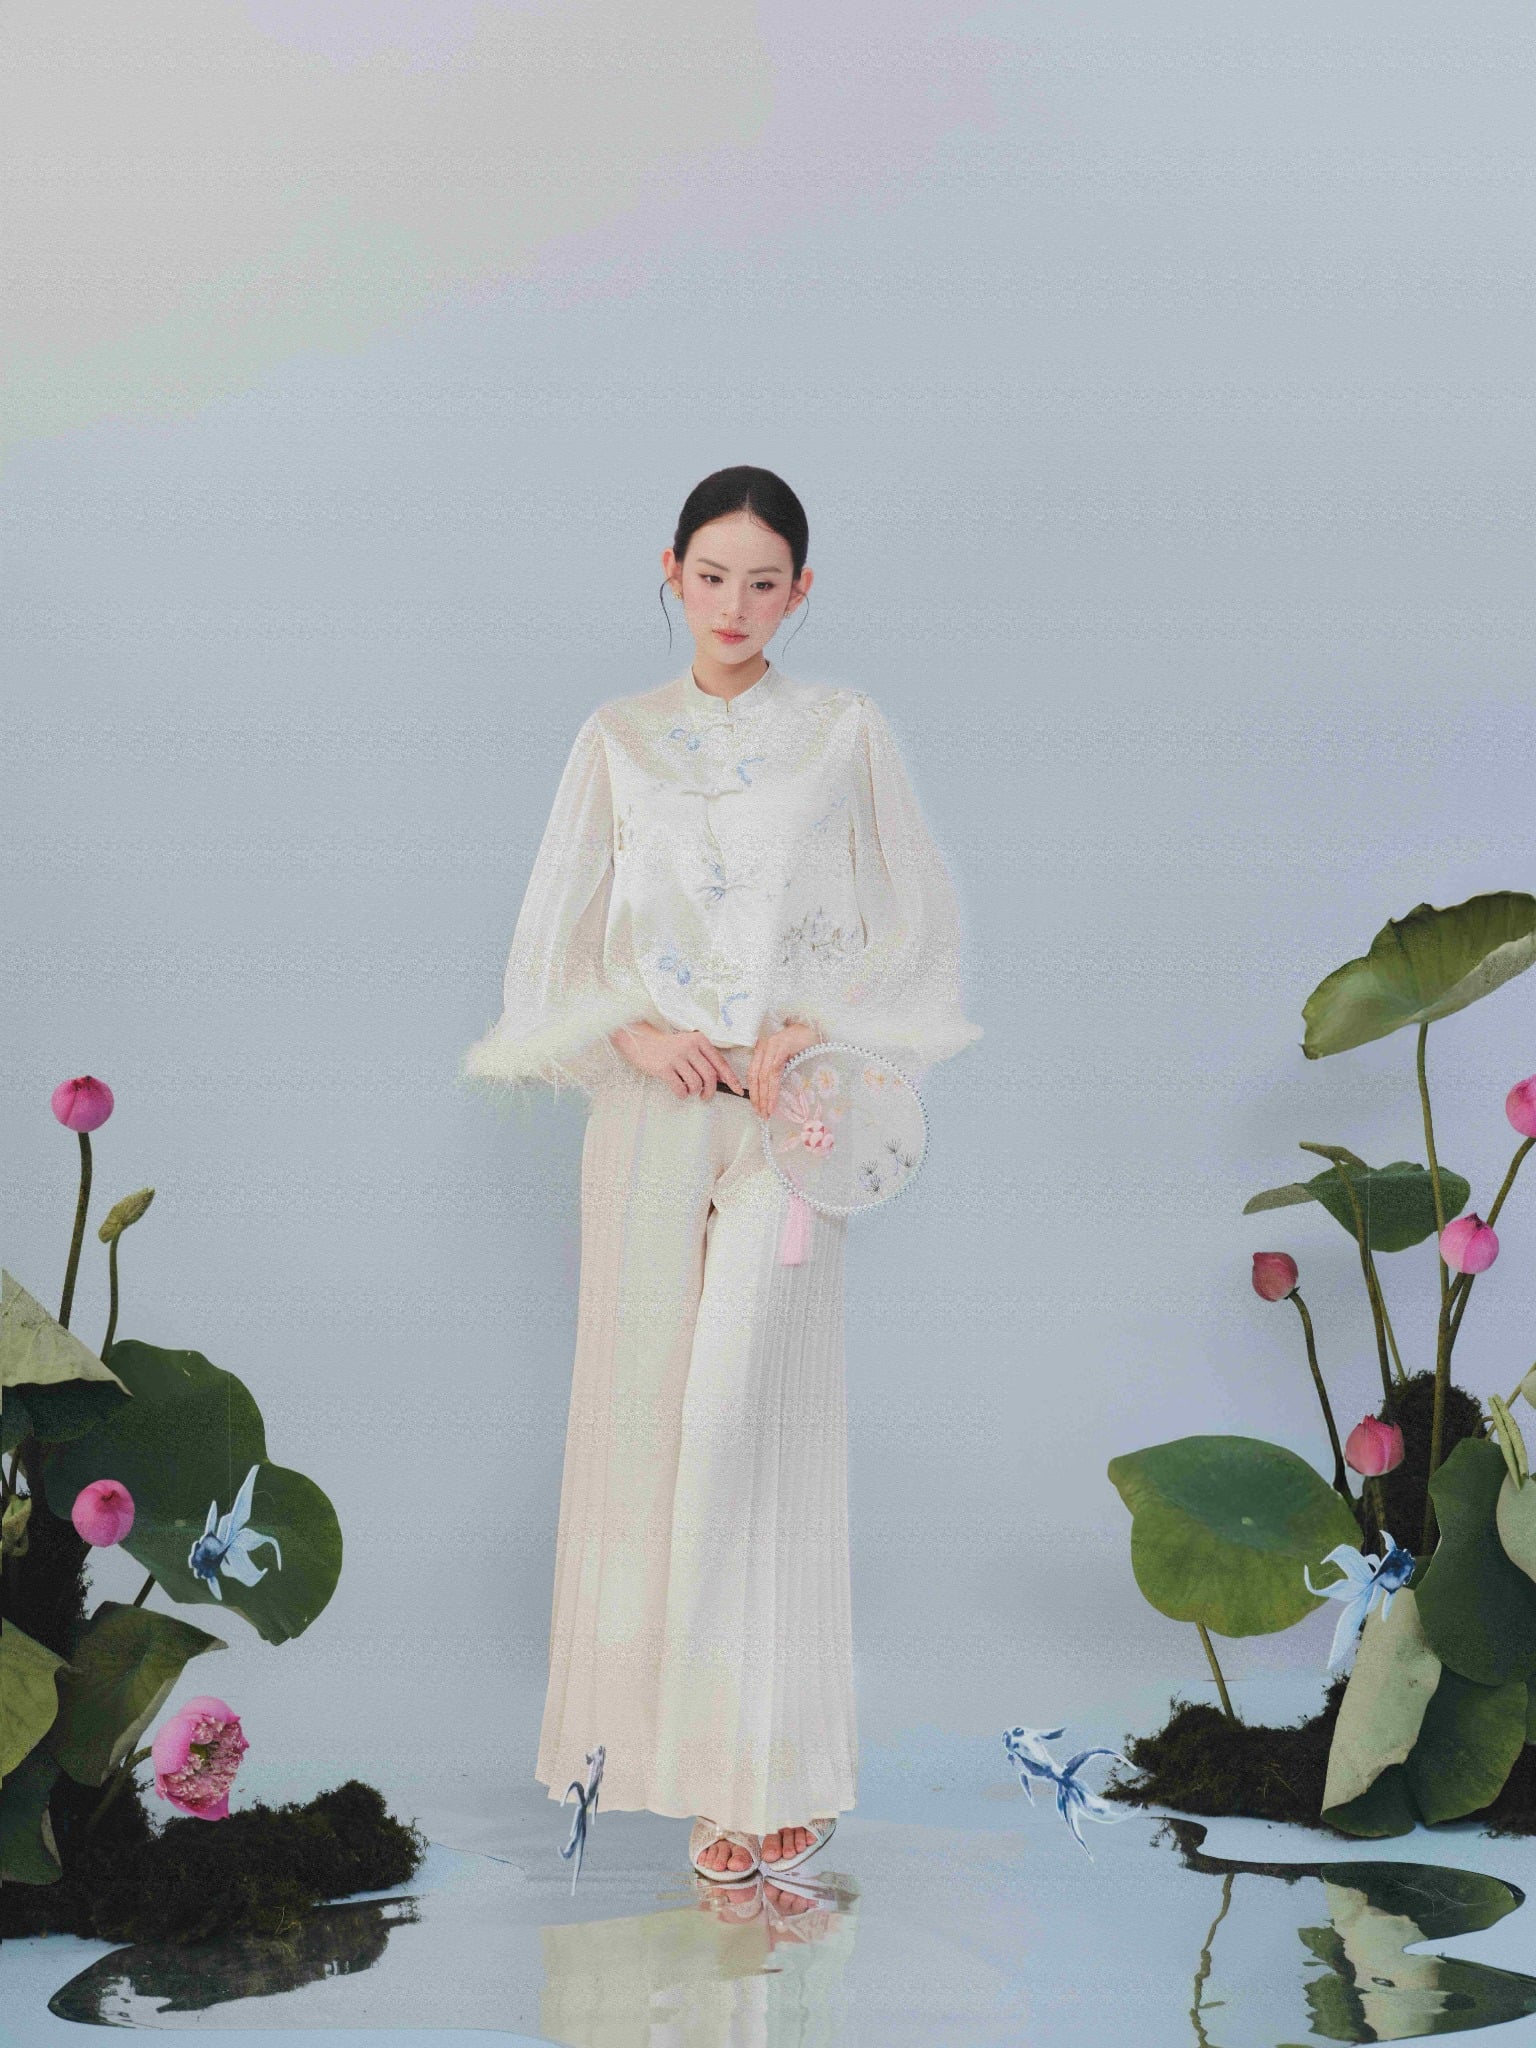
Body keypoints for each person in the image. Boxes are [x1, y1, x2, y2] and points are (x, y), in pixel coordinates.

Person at [459, 466, 981, 1881]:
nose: (736, 605)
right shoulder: (617, 740)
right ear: (671, 574)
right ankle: (688, 1773)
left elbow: (915, 926)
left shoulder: (843, 732)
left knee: (755, 1421)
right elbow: (551, 953)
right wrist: (631, 1033)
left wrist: (821, 1023)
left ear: (802, 591)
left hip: (788, 1119)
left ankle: (771, 1768)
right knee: (642, 1427)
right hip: (649, 1115)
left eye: (765, 582)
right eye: (712, 576)